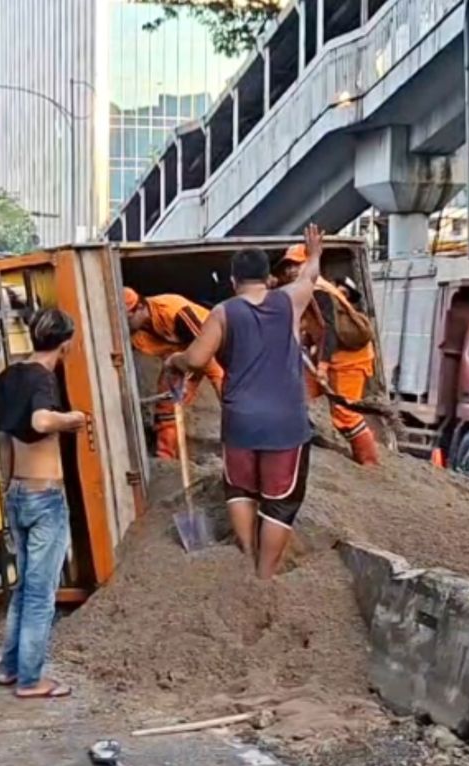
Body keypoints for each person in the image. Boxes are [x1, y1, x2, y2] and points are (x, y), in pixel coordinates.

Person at [166, 224, 324, 579]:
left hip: (240, 422)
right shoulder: (290, 300)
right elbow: (310, 276)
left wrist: (173, 361)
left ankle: (245, 554)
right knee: (280, 503)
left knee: (240, 489)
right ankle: (263, 575)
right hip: (285, 423)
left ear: (234, 280)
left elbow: (194, 359)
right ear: (268, 278)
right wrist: (314, 254)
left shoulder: (224, 312)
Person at [0, 308, 86, 697]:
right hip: (45, 496)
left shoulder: (9, 376)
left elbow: (2, 437)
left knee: (24, 587)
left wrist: (4, 486)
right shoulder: (43, 378)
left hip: (16, 491)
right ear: (66, 343)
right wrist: (75, 418)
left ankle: (10, 669)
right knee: (40, 593)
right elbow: (42, 422)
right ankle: (31, 680)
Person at [273, 246, 380, 465]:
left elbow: (328, 330)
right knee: (294, 394)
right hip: (329, 354)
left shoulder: (319, 290)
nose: (291, 271)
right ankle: (298, 442)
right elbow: (312, 328)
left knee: (345, 414)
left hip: (350, 359)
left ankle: (369, 464)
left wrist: (322, 367)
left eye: (296, 264)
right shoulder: (305, 290)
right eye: (288, 267)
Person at [125, 289, 224, 459]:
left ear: (140, 307)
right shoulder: (138, 331)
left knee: (223, 386)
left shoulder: (173, 311)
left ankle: (244, 439)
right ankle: (166, 459)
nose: (125, 324)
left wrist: (191, 377)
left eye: (127, 318)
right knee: (166, 403)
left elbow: (203, 344)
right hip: (180, 355)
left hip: (208, 345)